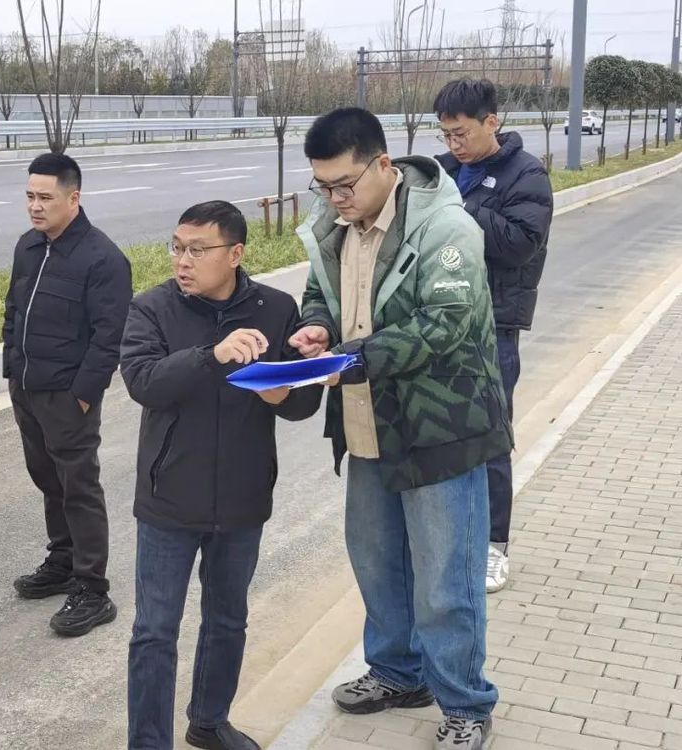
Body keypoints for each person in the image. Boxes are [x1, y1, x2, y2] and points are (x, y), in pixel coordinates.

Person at [288, 109, 513, 750]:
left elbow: (444, 324)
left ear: (383, 165)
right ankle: (397, 673)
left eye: (344, 185)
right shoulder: (335, 225)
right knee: (378, 563)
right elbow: (320, 294)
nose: (335, 199)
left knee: (446, 580)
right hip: (369, 425)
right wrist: (317, 329)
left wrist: (352, 357)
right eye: (323, 187)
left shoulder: (445, 227)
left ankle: (466, 703)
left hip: (443, 429)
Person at [120, 201, 321, 750]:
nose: (182, 261)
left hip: (242, 495)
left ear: (235, 254)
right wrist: (211, 355)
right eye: (177, 247)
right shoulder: (152, 307)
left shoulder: (275, 308)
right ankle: (148, 742)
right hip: (168, 498)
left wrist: (284, 390)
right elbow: (143, 382)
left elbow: (299, 402)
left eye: (197, 250)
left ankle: (209, 722)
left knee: (228, 619)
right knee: (154, 631)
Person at [2, 153, 132, 637]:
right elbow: (14, 310)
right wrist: (12, 369)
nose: (35, 207)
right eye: (30, 197)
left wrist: (83, 395)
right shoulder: (28, 246)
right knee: (47, 478)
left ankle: (92, 589)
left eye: (45, 198)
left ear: (73, 198)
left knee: (79, 486)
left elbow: (109, 338)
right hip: (27, 388)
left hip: (67, 397)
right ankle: (62, 561)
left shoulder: (102, 258)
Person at [433, 78, 554, 593]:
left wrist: (458, 209)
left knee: (489, 437)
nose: (453, 144)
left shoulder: (526, 174)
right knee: (441, 432)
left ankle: (493, 545)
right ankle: (448, 537)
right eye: (446, 135)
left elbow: (520, 244)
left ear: (491, 122)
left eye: (461, 133)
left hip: (493, 327)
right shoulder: (441, 171)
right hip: (438, 319)